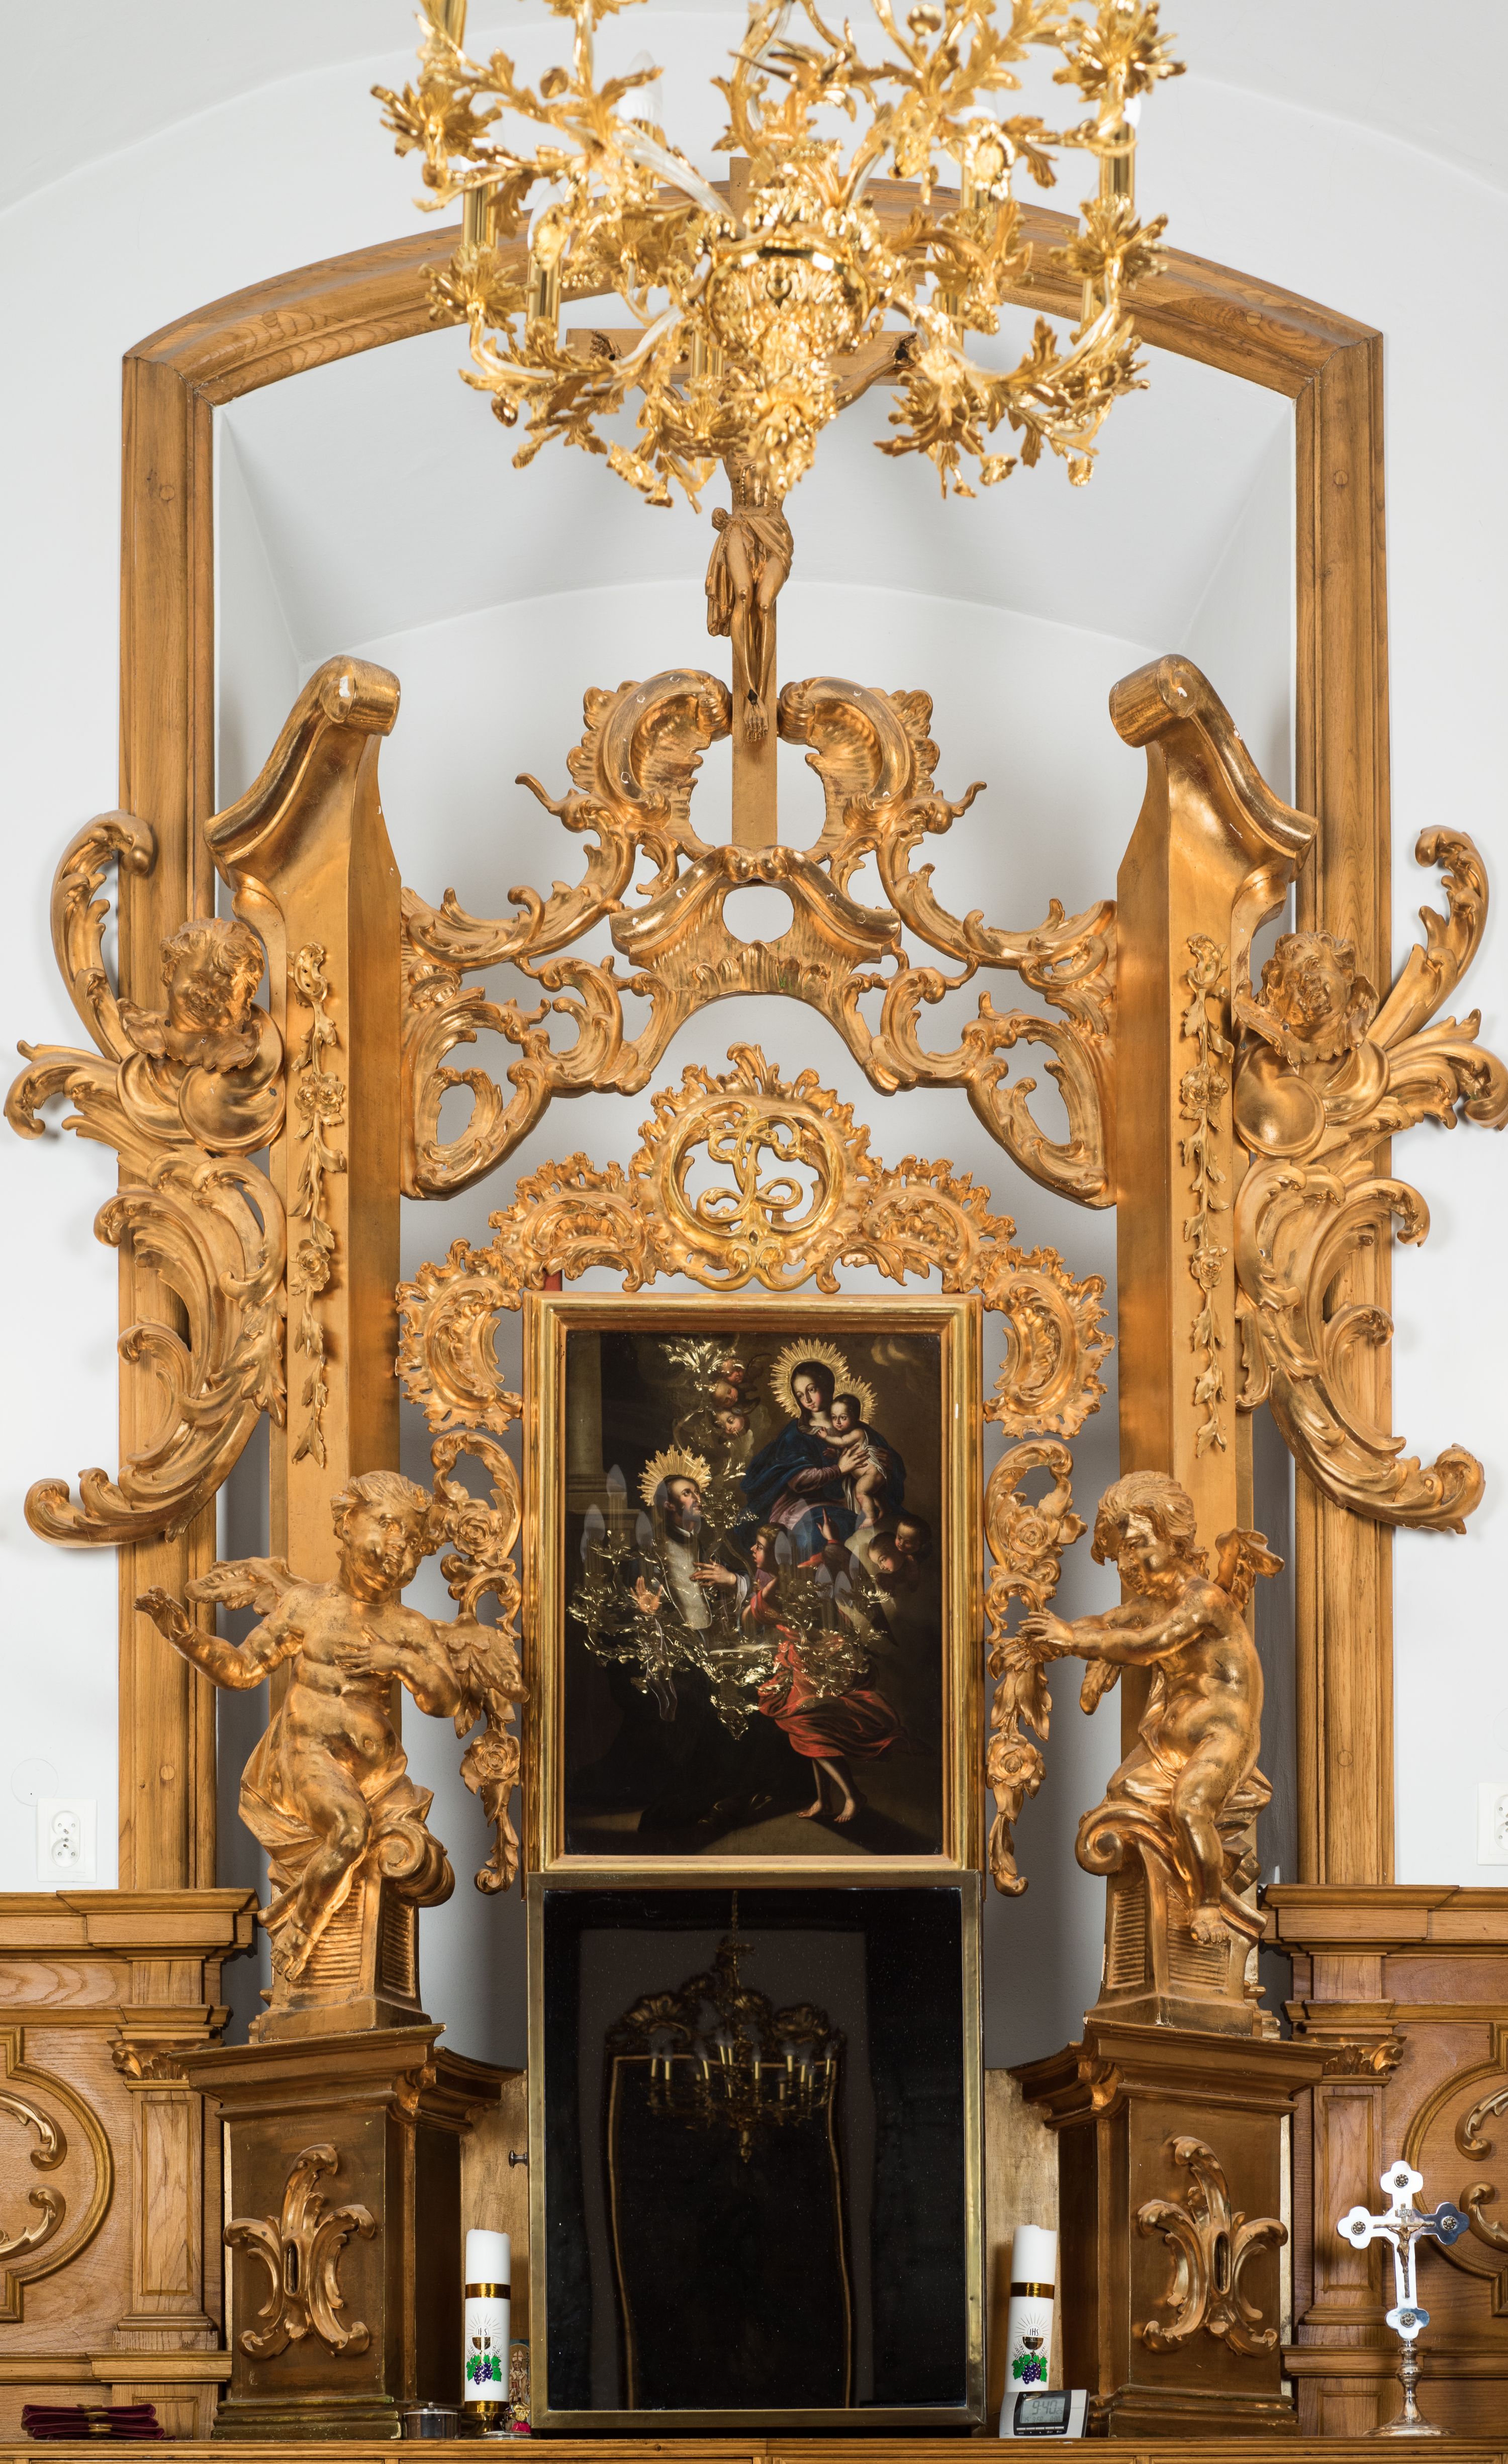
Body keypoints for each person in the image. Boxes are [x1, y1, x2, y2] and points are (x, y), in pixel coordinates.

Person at [136, 1470, 460, 1981]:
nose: (399, 1548)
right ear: (347, 1522)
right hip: (309, 1759)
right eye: (387, 1524)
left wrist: (397, 1659)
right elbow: (242, 1669)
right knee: (350, 1829)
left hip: (378, 1777)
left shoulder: (408, 1627)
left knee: (399, 1850)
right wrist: (183, 1635)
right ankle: (304, 1927)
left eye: (413, 1543)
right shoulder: (306, 1605)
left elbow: (445, 1700)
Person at [1019, 1470, 1276, 1948]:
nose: (1128, 1562)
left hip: (1223, 1736)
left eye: (1137, 1544)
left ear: (1174, 1538)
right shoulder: (1151, 1603)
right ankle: (1187, 1882)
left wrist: (1073, 1641)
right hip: (1169, 1743)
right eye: (1121, 1552)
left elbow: (1148, 1644)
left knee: (1190, 1806)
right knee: (1120, 1794)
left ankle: (1207, 1904)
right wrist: (1056, 1635)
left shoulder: (1204, 1599)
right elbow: (1108, 1622)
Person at [743, 1525, 904, 1826]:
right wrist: (832, 1541)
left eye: (760, 1546)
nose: (753, 1550)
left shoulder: (798, 1578)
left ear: (779, 1554)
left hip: (825, 1661)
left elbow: (756, 1616)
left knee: (810, 1727)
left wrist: (833, 1546)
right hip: (801, 1662)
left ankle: (853, 1795)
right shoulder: (778, 1582)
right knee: (812, 1730)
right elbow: (752, 1617)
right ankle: (825, 1798)